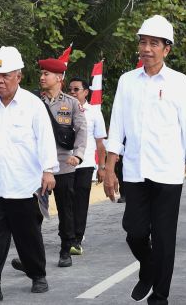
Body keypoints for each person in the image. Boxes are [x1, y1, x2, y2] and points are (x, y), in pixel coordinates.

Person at [103, 15, 186, 305]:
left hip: (168, 173)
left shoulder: (179, 82)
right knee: (133, 231)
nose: (147, 48)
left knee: (163, 238)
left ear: (166, 49)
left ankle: (160, 296)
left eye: (154, 43)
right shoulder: (127, 81)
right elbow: (117, 127)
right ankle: (147, 266)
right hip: (134, 170)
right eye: (143, 42)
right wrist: (109, 169)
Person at [0, 46, 58, 305]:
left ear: (18, 75)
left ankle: (37, 273)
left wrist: (48, 170)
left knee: (28, 236)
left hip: (24, 186)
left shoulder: (32, 105)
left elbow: (45, 140)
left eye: (5, 75)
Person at [36, 58, 87, 268]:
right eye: (41, 73)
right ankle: (31, 252)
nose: (41, 77)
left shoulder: (71, 103)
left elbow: (82, 130)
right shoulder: (33, 101)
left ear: (58, 78)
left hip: (63, 165)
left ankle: (66, 249)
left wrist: (79, 155)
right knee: (33, 212)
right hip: (37, 167)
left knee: (66, 209)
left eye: (46, 74)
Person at [67, 76, 107, 255]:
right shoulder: (64, 109)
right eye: (70, 90)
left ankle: (77, 238)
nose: (72, 93)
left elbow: (100, 142)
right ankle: (67, 235)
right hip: (66, 164)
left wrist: (102, 167)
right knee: (67, 202)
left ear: (85, 92)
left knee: (81, 202)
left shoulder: (94, 112)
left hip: (86, 163)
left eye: (76, 89)